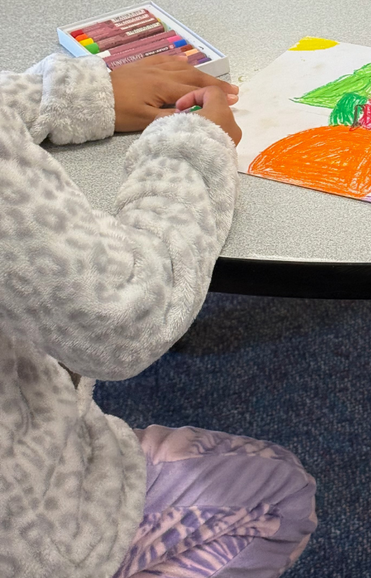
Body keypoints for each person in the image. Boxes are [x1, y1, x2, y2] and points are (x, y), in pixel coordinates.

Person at [0, 52, 317, 578]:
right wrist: (192, 151)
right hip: (30, 531)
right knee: (278, 495)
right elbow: (123, 314)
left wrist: (63, 94)